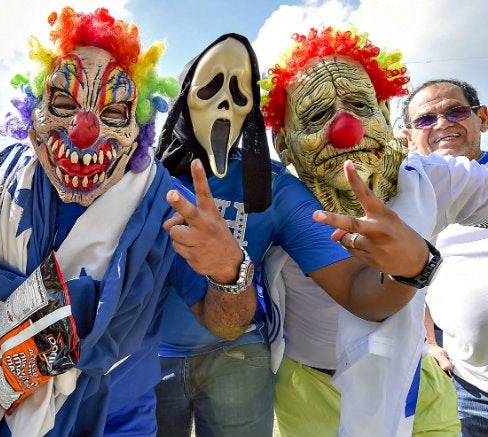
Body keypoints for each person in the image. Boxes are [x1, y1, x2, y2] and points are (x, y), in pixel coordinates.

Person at [153, 32, 448, 437]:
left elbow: (361, 295)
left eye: (240, 93)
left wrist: (412, 267)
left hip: (237, 357)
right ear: (185, 96)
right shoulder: (141, 178)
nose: (225, 103)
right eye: (210, 88)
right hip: (145, 358)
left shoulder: (275, 188)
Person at [0, 7, 186, 437]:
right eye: (63, 103)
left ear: (140, 126)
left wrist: (229, 272)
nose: (83, 130)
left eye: (114, 111)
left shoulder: (172, 204)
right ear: (32, 112)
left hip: (117, 417)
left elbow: (227, 320)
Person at [260, 27, 488, 436]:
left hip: (413, 377)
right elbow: (363, 297)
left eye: (360, 105)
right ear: (284, 143)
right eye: (315, 116)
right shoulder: (279, 198)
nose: (345, 128)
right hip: (312, 390)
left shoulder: (427, 179)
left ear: (384, 115)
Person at [402, 79, 488, 437]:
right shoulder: (409, 198)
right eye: (425, 119)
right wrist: (430, 342)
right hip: (471, 389)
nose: (441, 124)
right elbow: (409, 274)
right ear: (409, 138)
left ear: (482, 118)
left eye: (455, 111)